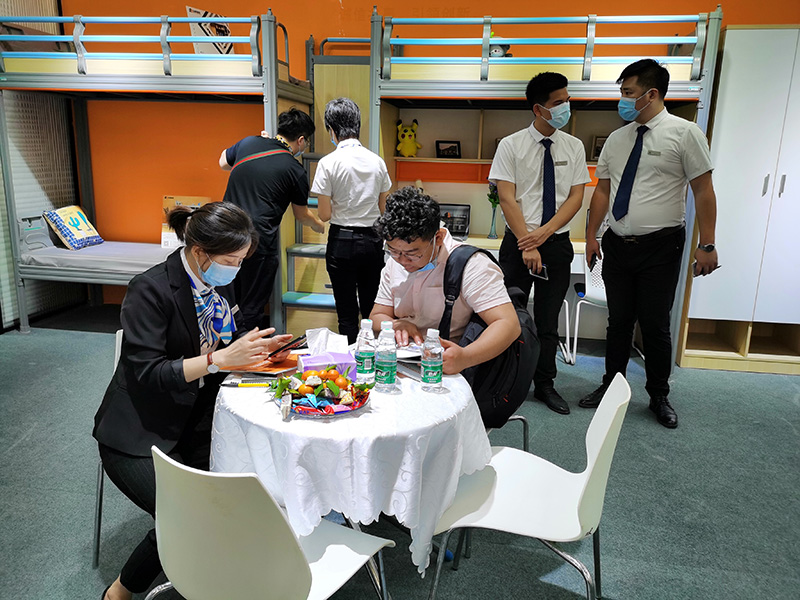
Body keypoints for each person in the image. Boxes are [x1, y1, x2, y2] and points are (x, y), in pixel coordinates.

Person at [94, 203, 293, 600]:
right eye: (231, 261)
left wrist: (258, 350)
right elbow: (149, 374)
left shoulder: (217, 282)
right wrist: (218, 359)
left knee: (239, 500)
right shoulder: (149, 289)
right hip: (138, 431)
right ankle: (120, 591)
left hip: (197, 417)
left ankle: (224, 569)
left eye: (241, 261)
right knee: (188, 514)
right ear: (200, 252)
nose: (236, 269)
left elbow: (230, 335)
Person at [579, 59, 719, 428]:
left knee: (655, 325)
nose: (623, 100)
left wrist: (707, 244)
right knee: (619, 322)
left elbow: (703, 190)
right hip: (617, 244)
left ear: (651, 94)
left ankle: (658, 395)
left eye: (629, 92)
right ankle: (611, 386)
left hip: (662, 245)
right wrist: (591, 235)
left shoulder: (685, 134)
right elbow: (603, 190)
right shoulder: (617, 138)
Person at [489, 72, 591, 415]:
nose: (566, 107)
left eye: (567, 100)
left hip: (555, 243)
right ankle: (504, 379)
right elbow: (506, 198)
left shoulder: (574, 146)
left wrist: (543, 234)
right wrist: (527, 243)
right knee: (508, 316)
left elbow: (575, 198)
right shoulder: (510, 145)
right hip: (518, 244)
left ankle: (545, 384)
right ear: (538, 108)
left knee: (548, 321)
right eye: (558, 102)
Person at [369, 186, 521, 375]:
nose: (402, 260)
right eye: (393, 251)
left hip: (453, 366)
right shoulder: (396, 262)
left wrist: (465, 357)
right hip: (403, 362)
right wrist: (396, 325)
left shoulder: (471, 265)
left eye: (412, 254)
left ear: (438, 238)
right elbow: (377, 315)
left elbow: (508, 324)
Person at [219, 107, 325, 330]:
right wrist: (318, 224)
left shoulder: (249, 142)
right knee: (252, 305)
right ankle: (247, 347)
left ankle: (224, 347)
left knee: (224, 300)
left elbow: (223, 162)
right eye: (306, 142)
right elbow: (301, 215)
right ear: (301, 140)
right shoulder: (295, 170)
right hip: (258, 243)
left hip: (224, 234)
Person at [311, 97, 392, 343]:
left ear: (331, 129)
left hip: (341, 242)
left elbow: (325, 215)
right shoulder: (377, 161)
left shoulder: (327, 163)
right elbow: (384, 209)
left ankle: (351, 360)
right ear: (357, 125)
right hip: (372, 240)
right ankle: (373, 357)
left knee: (346, 313)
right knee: (371, 310)